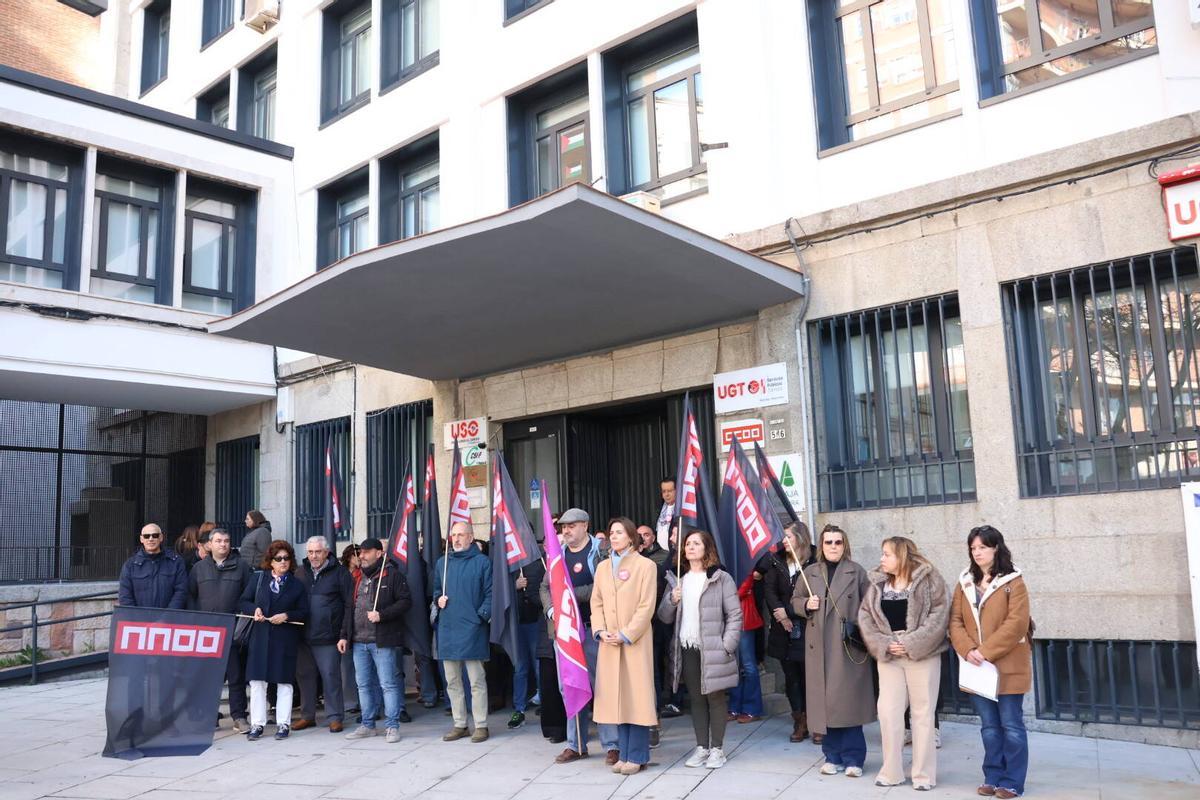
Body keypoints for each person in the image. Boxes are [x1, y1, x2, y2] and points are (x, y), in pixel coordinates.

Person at [858, 537, 949, 791]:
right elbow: (865, 616)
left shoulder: (930, 579)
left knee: (922, 714)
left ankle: (923, 775)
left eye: (887, 554)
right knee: (888, 713)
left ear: (901, 556)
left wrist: (911, 642)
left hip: (922, 655)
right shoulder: (878, 583)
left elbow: (939, 615)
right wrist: (884, 643)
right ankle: (891, 771)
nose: (882, 559)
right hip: (889, 656)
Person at [949, 526, 1032, 800]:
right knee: (989, 727)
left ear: (996, 548)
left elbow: (1017, 624)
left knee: (1011, 725)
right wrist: (968, 649)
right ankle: (992, 775)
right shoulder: (965, 582)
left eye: (982, 547)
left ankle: (1012, 781)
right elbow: (955, 621)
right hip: (977, 666)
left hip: (1007, 665)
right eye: (973, 548)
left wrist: (985, 651)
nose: (977, 553)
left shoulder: (1013, 581)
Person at [794, 524, 874, 778]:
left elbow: (871, 605)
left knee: (848, 705)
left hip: (846, 648)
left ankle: (854, 758)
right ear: (822, 545)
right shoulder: (810, 572)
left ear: (845, 545)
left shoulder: (856, 572)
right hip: (818, 648)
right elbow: (794, 600)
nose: (832, 547)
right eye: (828, 542)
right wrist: (807, 604)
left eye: (837, 542)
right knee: (824, 705)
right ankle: (832, 755)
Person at [658, 528, 742, 770]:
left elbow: (735, 614)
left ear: (707, 548)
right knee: (695, 698)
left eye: (696, 543)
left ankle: (717, 749)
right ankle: (701, 747)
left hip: (714, 647)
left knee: (715, 697)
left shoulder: (720, 578)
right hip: (688, 646)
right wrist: (671, 600)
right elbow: (664, 617)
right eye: (687, 544)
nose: (690, 547)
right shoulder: (678, 579)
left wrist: (727, 644)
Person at [540, 508, 617, 763]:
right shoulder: (557, 554)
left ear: (585, 525)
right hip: (565, 634)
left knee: (601, 686)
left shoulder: (601, 552)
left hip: (592, 629)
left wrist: (570, 596)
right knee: (570, 687)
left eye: (571, 526)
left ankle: (612, 744)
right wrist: (552, 608)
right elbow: (545, 586)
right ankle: (577, 744)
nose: (566, 530)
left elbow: (604, 586)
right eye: (563, 527)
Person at [592, 517, 658, 775]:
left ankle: (638, 755)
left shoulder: (646, 566)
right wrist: (600, 630)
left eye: (619, 532)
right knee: (617, 700)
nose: (614, 536)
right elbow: (596, 603)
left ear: (631, 536)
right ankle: (625, 753)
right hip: (609, 642)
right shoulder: (602, 568)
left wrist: (626, 633)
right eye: (612, 532)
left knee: (636, 698)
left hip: (634, 642)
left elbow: (646, 606)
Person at [343, 537, 412, 743]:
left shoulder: (392, 575)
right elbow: (350, 608)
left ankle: (392, 726)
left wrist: (382, 614)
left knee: (388, 684)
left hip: (382, 641)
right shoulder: (358, 577)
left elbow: (405, 601)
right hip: (358, 641)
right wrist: (343, 635)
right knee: (363, 685)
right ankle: (368, 724)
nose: (361, 555)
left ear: (378, 554)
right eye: (360, 552)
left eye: (366, 552)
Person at [240, 539, 310, 741]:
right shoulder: (258, 579)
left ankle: (283, 723)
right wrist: (255, 610)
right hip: (260, 637)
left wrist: (287, 616)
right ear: (270, 561)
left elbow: (304, 611)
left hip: (284, 637)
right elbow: (242, 601)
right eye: (278, 558)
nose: (283, 562)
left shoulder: (297, 585)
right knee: (257, 682)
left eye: (287, 558)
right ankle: (257, 724)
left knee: (284, 682)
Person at [432, 522, 492, 743]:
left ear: (471, 537)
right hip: (448, 629)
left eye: (461, 535)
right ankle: (460, 724)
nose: (456, 539)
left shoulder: (482, 562)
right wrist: (438, 600)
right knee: (452, 681)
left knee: (476, 681)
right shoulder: (442, 563)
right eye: (453, 535)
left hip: (473, 628)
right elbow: (436, 591)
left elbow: (490, 593)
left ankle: (481, 725)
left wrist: (480, 617)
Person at [188, 527, 252, 732]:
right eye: (218, 541)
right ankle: (208, 716)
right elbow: (190, 597)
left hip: (233, 630)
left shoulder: (242, 567)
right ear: (209, 544)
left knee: (236, 676)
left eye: (226, 540)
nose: (223, 544)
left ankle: (239, 717)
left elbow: (249, 596)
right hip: (207, 633)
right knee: (208, 677)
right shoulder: (198, 568)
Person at [295, 535, 354, 734]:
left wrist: (344, 634)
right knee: (305, 677)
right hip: (303, 636)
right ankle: (307, 716)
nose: (313, 556)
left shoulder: (340, 573)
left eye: (318, 552)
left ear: (327, 552)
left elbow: (349, 605)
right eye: (310, 552)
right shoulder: (300, 573)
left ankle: (335, 717)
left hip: (329, 636)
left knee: (331, 677)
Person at [761, 522, 813, 743]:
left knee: (809, 677)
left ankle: (814, 719)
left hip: (807, 626)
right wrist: (780, 615)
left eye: (788, 537)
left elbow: (814, 598)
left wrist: (790, 612)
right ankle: (799, 719)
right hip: (783, 629)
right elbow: (769, 590)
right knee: (791, 676)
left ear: (800, 539)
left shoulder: (813, 562)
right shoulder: (776, 560)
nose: (784, 541)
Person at [510, 555, 545, 729]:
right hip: (515, 623)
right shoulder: (507, 563)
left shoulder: (538, 563)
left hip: (535, 621)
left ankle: (546, 705)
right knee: (520, 668)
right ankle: (519, 709)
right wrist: (513, 587)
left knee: (539, 666)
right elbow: (496, 590)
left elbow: (545, 591)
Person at [118, 523, 188, 609]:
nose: (151, 539)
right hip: (140, 620)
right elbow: (125, 597)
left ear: (161, 537)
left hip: (169, 619)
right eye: (147, 536)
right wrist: (137, 618)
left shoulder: (176, 562)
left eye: (155, 535)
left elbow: (181, 592)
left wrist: (168, 616)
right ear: (141, 539)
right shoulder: (130, 565)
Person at [728, 571, 765, 723]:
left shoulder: (744, 561)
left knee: (748, 665)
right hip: (730, 619)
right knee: (733, 665)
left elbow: (741, 590)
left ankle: (752, 708)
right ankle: (735, 706)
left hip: (744, 620)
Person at [339, 544, 362, 715]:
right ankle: (350, 702)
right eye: (356, 555)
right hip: (345, 622)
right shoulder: (342, 574)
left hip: (361, 623)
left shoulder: (364, 572)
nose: (359, 558)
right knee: (346, 667)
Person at [654, 478, 675, 549]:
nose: (666, 494)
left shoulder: (681, 510)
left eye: (669, 491)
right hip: (660, 551)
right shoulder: (659, 509)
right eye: (664, 491)